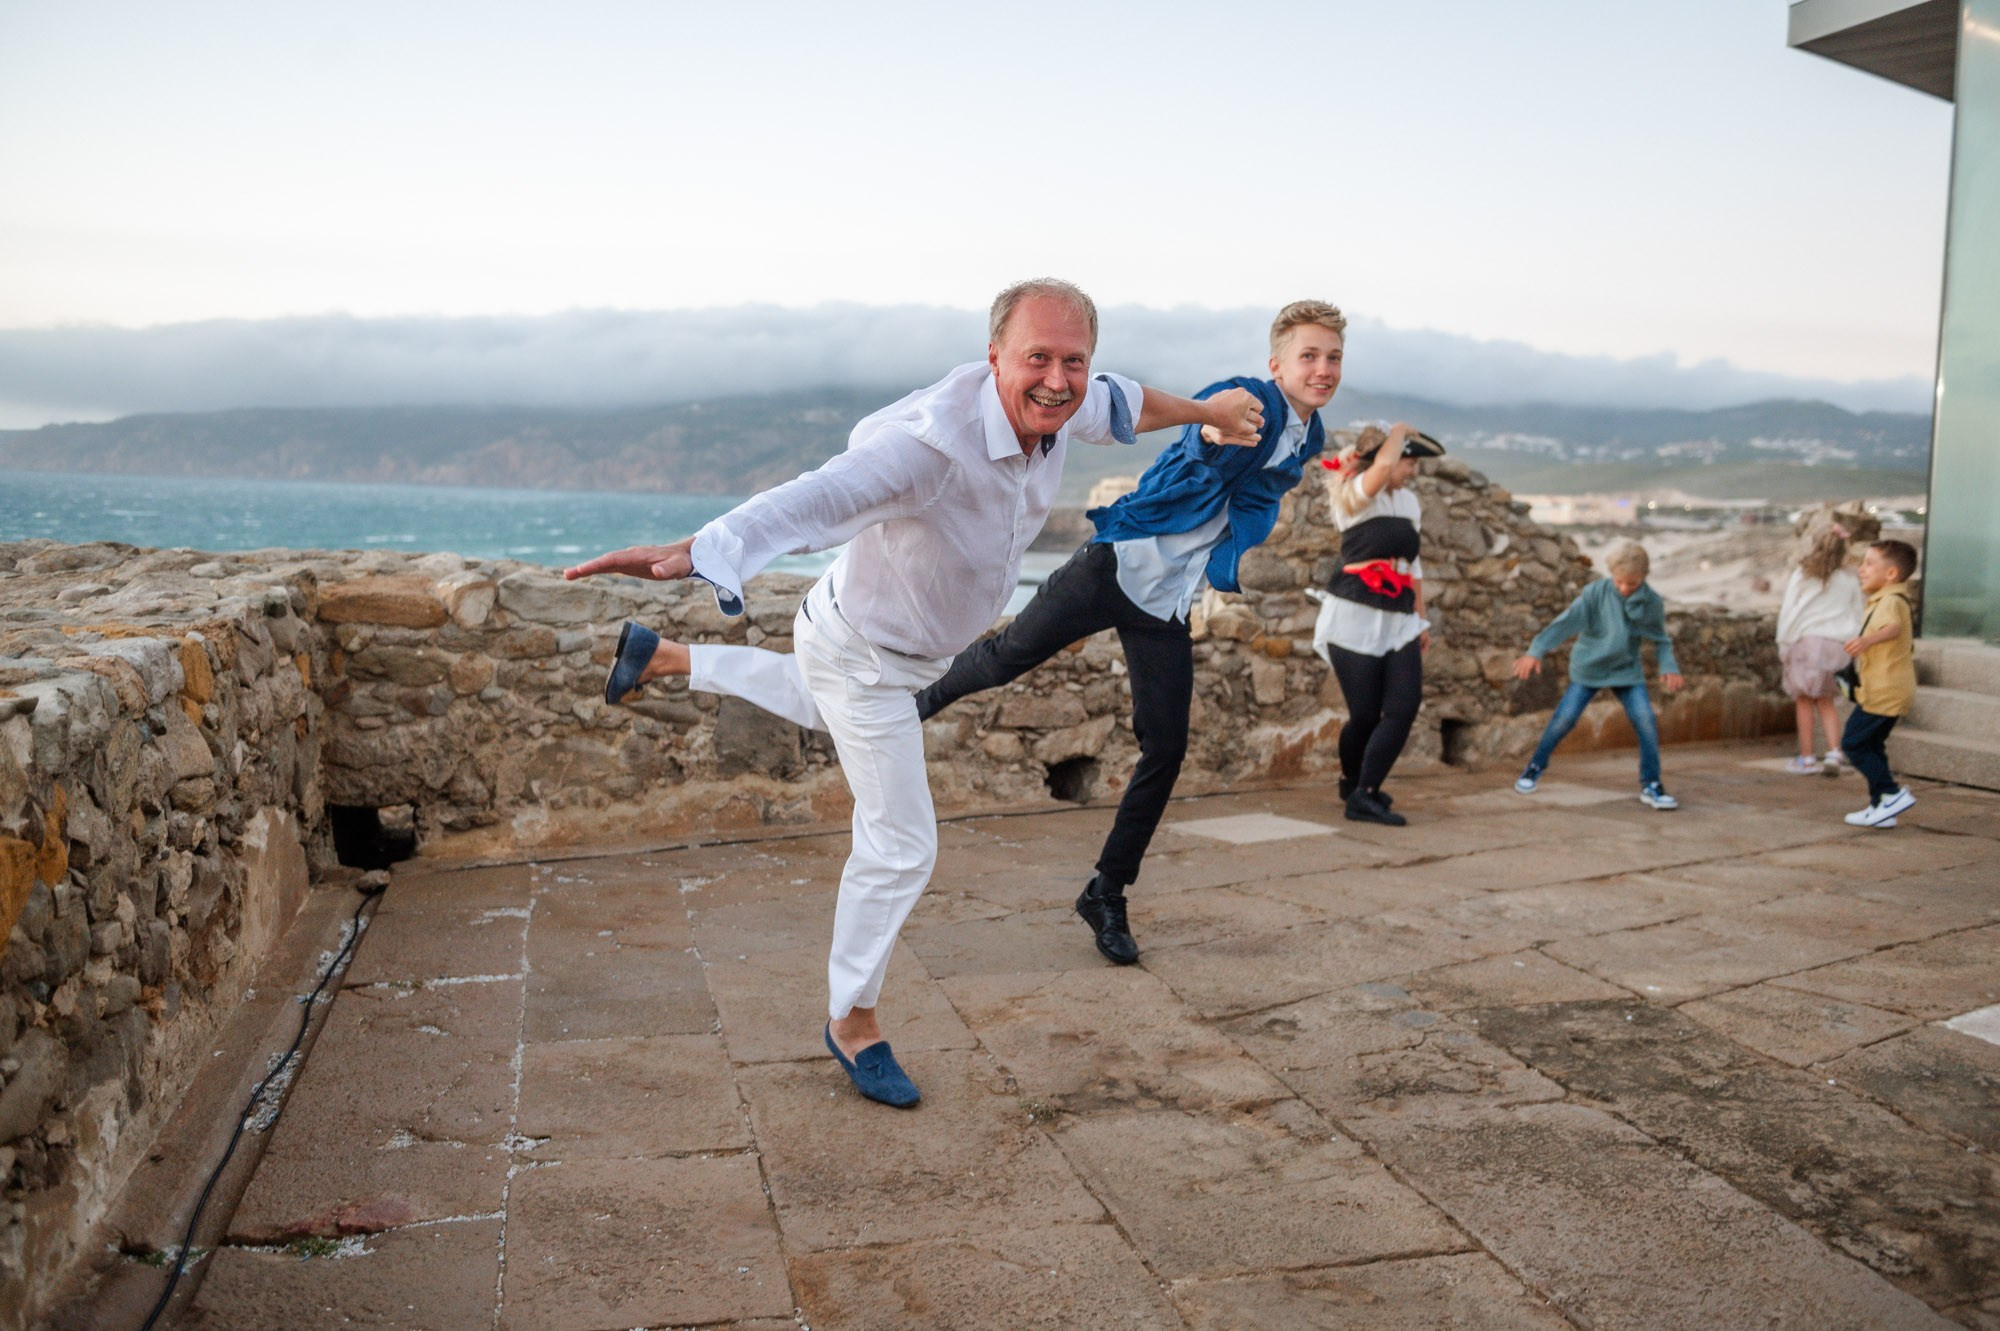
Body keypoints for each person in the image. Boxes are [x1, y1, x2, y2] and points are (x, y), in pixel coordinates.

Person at [564, 279, 1262, 1107]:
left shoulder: (1065, 402)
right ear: (993, 352)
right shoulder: (932, 445)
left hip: (877, 645)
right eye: (1037, 357)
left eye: (1073, 360)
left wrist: (1207, 415)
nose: (1058, 378)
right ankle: (852, 1020)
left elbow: (1122, 403)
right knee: (902, 844)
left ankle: (666, 657)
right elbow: (825, 493)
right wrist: (701, 548)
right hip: (865, 654)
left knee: (810, 699)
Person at [912, 300, 1350, 966]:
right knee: (1005, 657)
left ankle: (1106, 890)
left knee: (1166, 746)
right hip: (1116, 563)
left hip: (1166, 600)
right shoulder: (1250, 403)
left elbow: (1252, 499)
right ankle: (909, 704)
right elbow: (1200, 434)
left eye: (1333, 357)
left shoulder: (1309, 438)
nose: (1322, 369)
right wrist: (1207, 435)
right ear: (1277, 364)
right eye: (1308, 356)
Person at [1309, 421, 1446, 827]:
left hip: (1400, 618)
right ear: (1386, 458)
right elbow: (1382, 471)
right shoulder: (1353, 497)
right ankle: (1351, 783)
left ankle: (1364, 792)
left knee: (1403, 707)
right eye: (1408, 460)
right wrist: (1398, 432)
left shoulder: (1409, 504)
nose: (1413, 470)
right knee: (1365, 715)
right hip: (1354, 616)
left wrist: (1421, 620)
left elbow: (1412, 566)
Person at [1511, 540, 1685, 809]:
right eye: (1619, 582)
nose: (1624, 589)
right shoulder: (1595, 593)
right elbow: (1567, 621)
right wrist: (1536, 650)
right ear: (1612, 575)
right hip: (1589, 667)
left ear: (1643, 578)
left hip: (1626, 670)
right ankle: (1535, 766)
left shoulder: (1651, 602)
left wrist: (1669, 667)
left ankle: (1651, 785)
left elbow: (1660, 640)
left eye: (1632, 584)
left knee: (1646, 720)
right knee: (1564, 719)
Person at [1838, 539, 1920, 829]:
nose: (1862, 569)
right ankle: (1881, 807)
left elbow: (1893, 628)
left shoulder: (1892, 601)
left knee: (1853, 742)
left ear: (1891, 574)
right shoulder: (1887, 600)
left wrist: (1866, 641)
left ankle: (1893, 793)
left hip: (1885, 692)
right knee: (1872, 745)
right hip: (1886, 690)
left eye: (1869, 563)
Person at [1776, 521, 1864, 775]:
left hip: (1806, 642)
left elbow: (1788, 612)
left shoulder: (1802, 575)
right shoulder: (1849, 579)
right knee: (1826, 701)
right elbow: (1857, 612)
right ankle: (1835, 752)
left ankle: (1806, 758)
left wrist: (1784, 644)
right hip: (1836, 647)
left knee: (1803, 700)